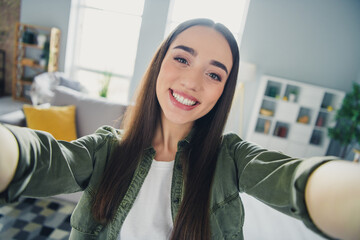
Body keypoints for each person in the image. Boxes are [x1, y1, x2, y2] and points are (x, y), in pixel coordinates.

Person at [0, 18, 359, 240]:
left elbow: (296, 181)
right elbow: (39, 160)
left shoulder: (231, 159)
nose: (191, 81)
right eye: (182, 58)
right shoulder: (105, 151)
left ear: (223, 90)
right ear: (159, 64)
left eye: (214, 73)